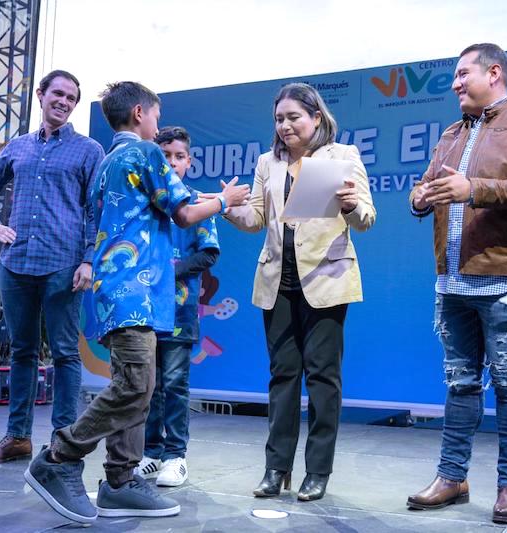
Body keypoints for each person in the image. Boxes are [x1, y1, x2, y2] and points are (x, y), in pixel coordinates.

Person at [23, 81, 250, 524]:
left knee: (140, 386)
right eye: (157, 117)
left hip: (121, 292)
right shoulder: (144, 153)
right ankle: (58, 458)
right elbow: (184, 213)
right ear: (141, 113)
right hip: (133, 293)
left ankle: (122, 480)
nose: (159, 127)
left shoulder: (109, 162)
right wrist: (225, 200)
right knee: (134, 386)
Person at [405, 43, 507, 525]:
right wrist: (420, 196)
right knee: (460, 384)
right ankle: (452, 478)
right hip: (452, 282)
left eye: (461, 73)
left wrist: (473, 189)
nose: (454, 83)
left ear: (494, 72)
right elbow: (428, 185)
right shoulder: (451, 134)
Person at [221, 82, 376, 502]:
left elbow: (366, 218)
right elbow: (255, 218)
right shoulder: (266, 162)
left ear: (316, 118)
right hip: (277, 282)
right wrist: (227, 206)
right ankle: (276, 468)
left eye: (293, 117)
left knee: (323, 377)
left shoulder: (342, 156)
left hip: (327, 280)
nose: (285, 125)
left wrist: (349, 206)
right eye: (279, 119)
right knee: (282, 376)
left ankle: (318, 471)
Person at [0, 70, 105, 465]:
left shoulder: (88, 150)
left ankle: (64, 441)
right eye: (58, 94)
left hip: (63, 265)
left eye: (72, 98)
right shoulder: (18, 147)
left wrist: (87, 259)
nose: (64, 102)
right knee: (23, 352)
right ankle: (17, 438)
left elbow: (95, 210)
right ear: (41, 95)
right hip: (16, 263)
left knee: (65, 353)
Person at [135, 127, 220, 487]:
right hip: (141, 311)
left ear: (189, 161)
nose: (172, 162)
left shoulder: (198, 201)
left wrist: (169, 274)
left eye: (179, 156)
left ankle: (175, 456)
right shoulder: (143, 200)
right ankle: (151, 453)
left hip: (180, 312)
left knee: (174, 384)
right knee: (148, 385)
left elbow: (209, 252)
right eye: (165, 155)